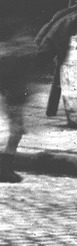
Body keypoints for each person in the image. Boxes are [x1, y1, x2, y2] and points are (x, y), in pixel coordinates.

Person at [0, 15, 35, 184]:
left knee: (17, 132)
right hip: (12, 98)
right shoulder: (9, 56)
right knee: (16, 132)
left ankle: (5, 168)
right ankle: (4, 169)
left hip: (15, 98)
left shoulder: (13, 53)